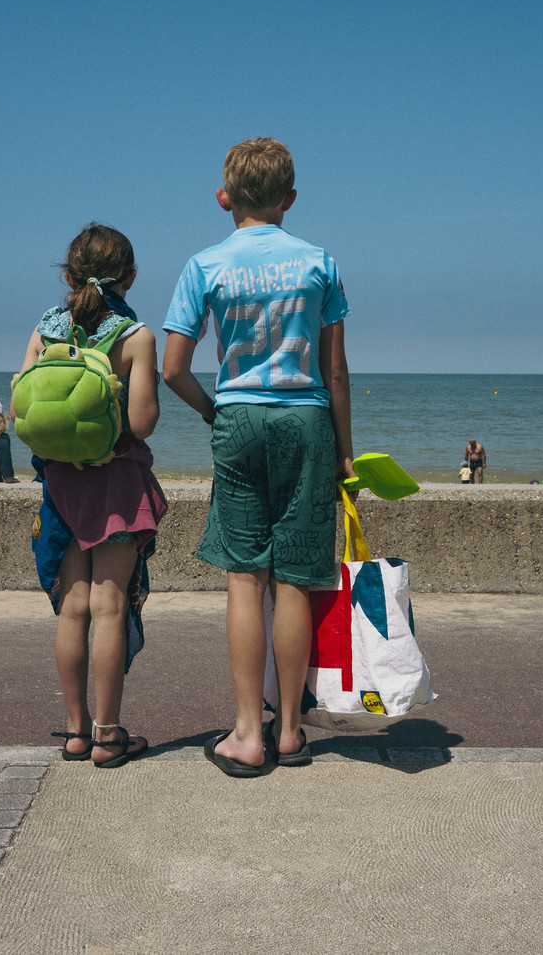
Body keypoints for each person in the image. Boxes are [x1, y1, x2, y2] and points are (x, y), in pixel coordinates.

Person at [162, 137, 354, 777]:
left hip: (240, 412)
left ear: (224, 197)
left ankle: (247, 733)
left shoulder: (204, 265)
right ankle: (293, 731)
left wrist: (219, 411)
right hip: (306, 419)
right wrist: (345, 455)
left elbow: (174, 369)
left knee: (245, 577)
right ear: (290, 199)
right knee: (297, 576)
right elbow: (336, 368)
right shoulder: (319, 261)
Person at [21, 223, 167, 769]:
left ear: (67, 275)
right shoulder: (137, 337)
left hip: (61, 485)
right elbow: (143, 424)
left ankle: (77, 732)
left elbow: (22, 414)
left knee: (73, 607)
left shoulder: (44, 332)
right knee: (109, 605)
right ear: (130, 277)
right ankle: (109, 736)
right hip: (117, 487)